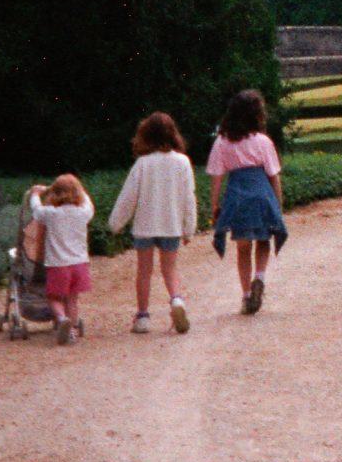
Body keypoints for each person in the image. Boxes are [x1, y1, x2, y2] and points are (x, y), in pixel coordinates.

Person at [107, 112, 196, 334]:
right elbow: (189, 197)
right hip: (171, 225)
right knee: (170, 268)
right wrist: (189, 228)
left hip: (145, 226)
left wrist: (115, 223)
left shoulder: (142, 164)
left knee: (144, 271)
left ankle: (143, 317)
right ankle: (176, 300)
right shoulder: (183, 162)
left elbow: (128, 197)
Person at [207, 88, 287, 313]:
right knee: (264, 239)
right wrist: (278, 205)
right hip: (262, 193)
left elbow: (216, 176)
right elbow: (273, 175)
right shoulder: (263, 141)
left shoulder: (222, 141)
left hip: (238, 194)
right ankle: (259, 277)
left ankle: (246, 295)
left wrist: (215, 204)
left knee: (243, 247)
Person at [26, 173, 95, 345]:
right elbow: (89, 203)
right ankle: (71, 330)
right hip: (80, 264)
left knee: (54, 298)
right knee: (72, 299)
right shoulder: (83, 212)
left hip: (58, 265)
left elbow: (36, 210)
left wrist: (35, 194)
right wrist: (81, 190)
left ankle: (62, 318)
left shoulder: (51, 213)